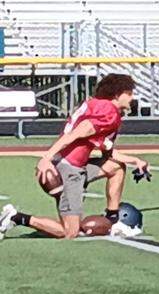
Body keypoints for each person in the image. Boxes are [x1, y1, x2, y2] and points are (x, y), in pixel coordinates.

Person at [0, 74, 148, 241]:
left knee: (116, 167)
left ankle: (113, 219)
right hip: (70, 168)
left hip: (74, 164)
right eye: (128, 93)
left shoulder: (96, 105)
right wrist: (46, 158)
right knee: (69, 232)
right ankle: (15, 217)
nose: (132, 97)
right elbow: (77, 132)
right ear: (116, 94)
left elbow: (107, 151)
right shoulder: (109, 112)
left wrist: (136, 160)